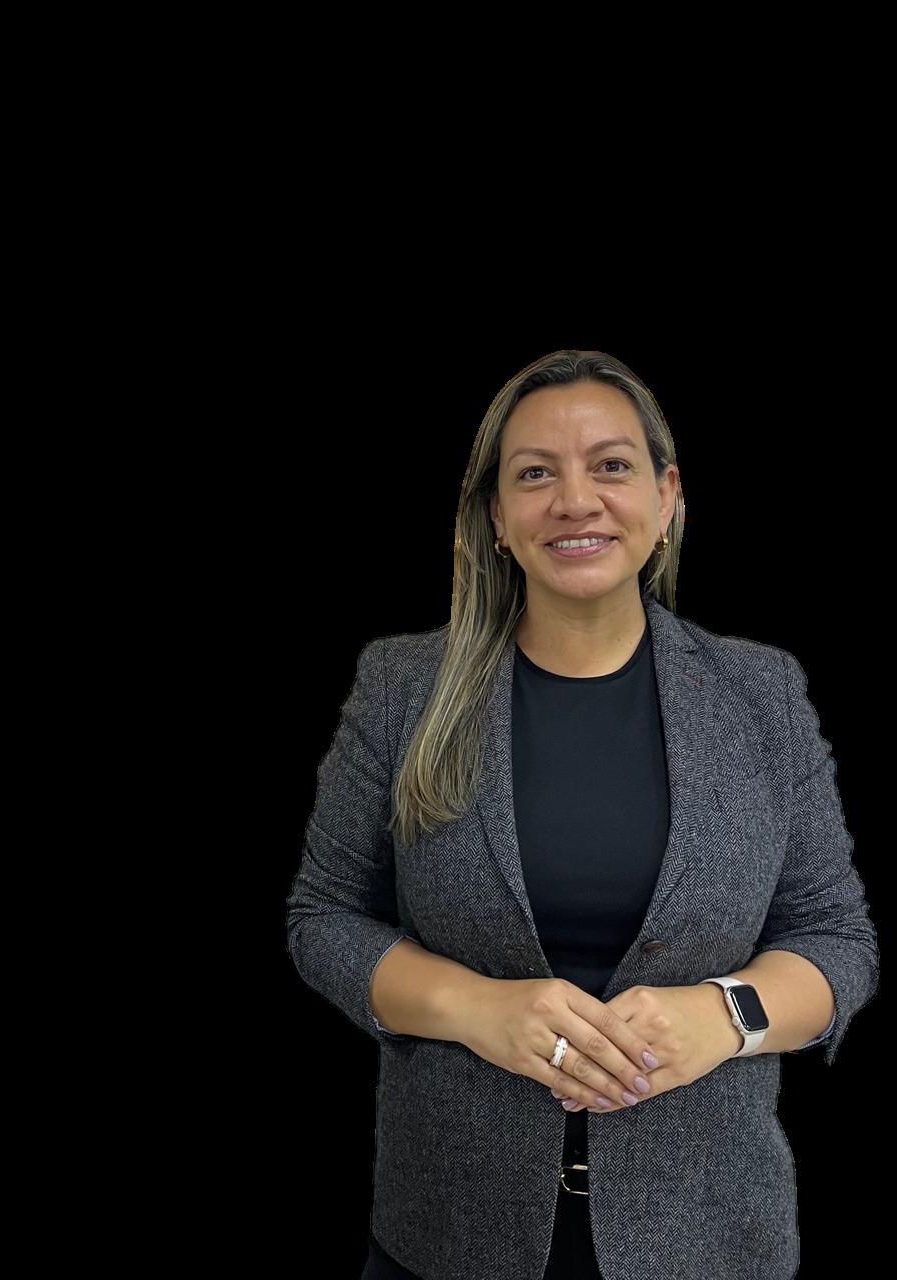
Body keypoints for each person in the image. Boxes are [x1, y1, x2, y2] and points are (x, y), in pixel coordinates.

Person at [284, 349, 879, 1280]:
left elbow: (836, 937)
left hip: (712, 1240)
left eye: (611, 465)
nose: (575, 501)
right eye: (534, 475)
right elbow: (323, 919)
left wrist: (725, 1015)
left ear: (667, 496)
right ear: (495, 516)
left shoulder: (762, 694)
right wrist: (475, 1009)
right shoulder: (402, 688)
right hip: (448, 1237)